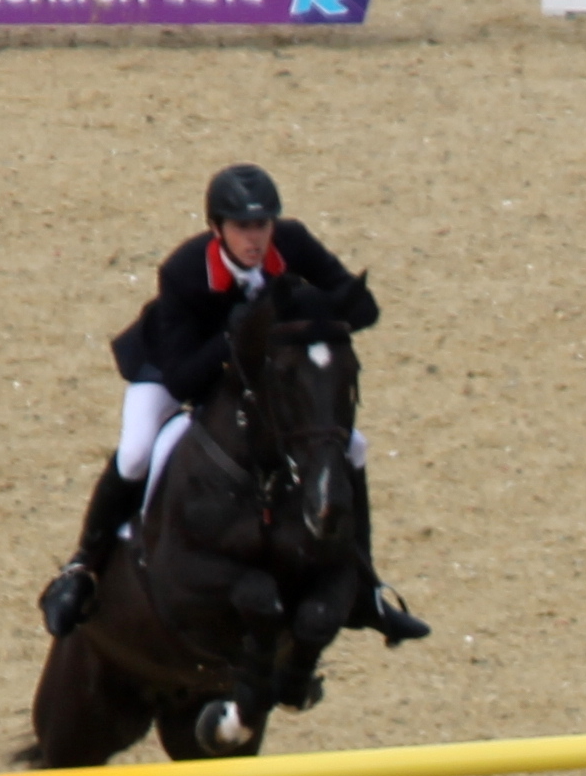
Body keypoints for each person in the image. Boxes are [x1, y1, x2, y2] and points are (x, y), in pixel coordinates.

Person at [39, 163, 429, 643]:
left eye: (262, 224)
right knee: (138, 452)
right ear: (216, 228)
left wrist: (318, 308)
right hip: (171, 366)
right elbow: (184, 378)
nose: (255, 238)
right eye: (242, 226)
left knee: (354, 446)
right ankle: (83, 567)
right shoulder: (184, 271)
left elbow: (361, 309)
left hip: (254, 374)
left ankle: (366, 587)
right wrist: (234, 334)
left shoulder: (292, 243)